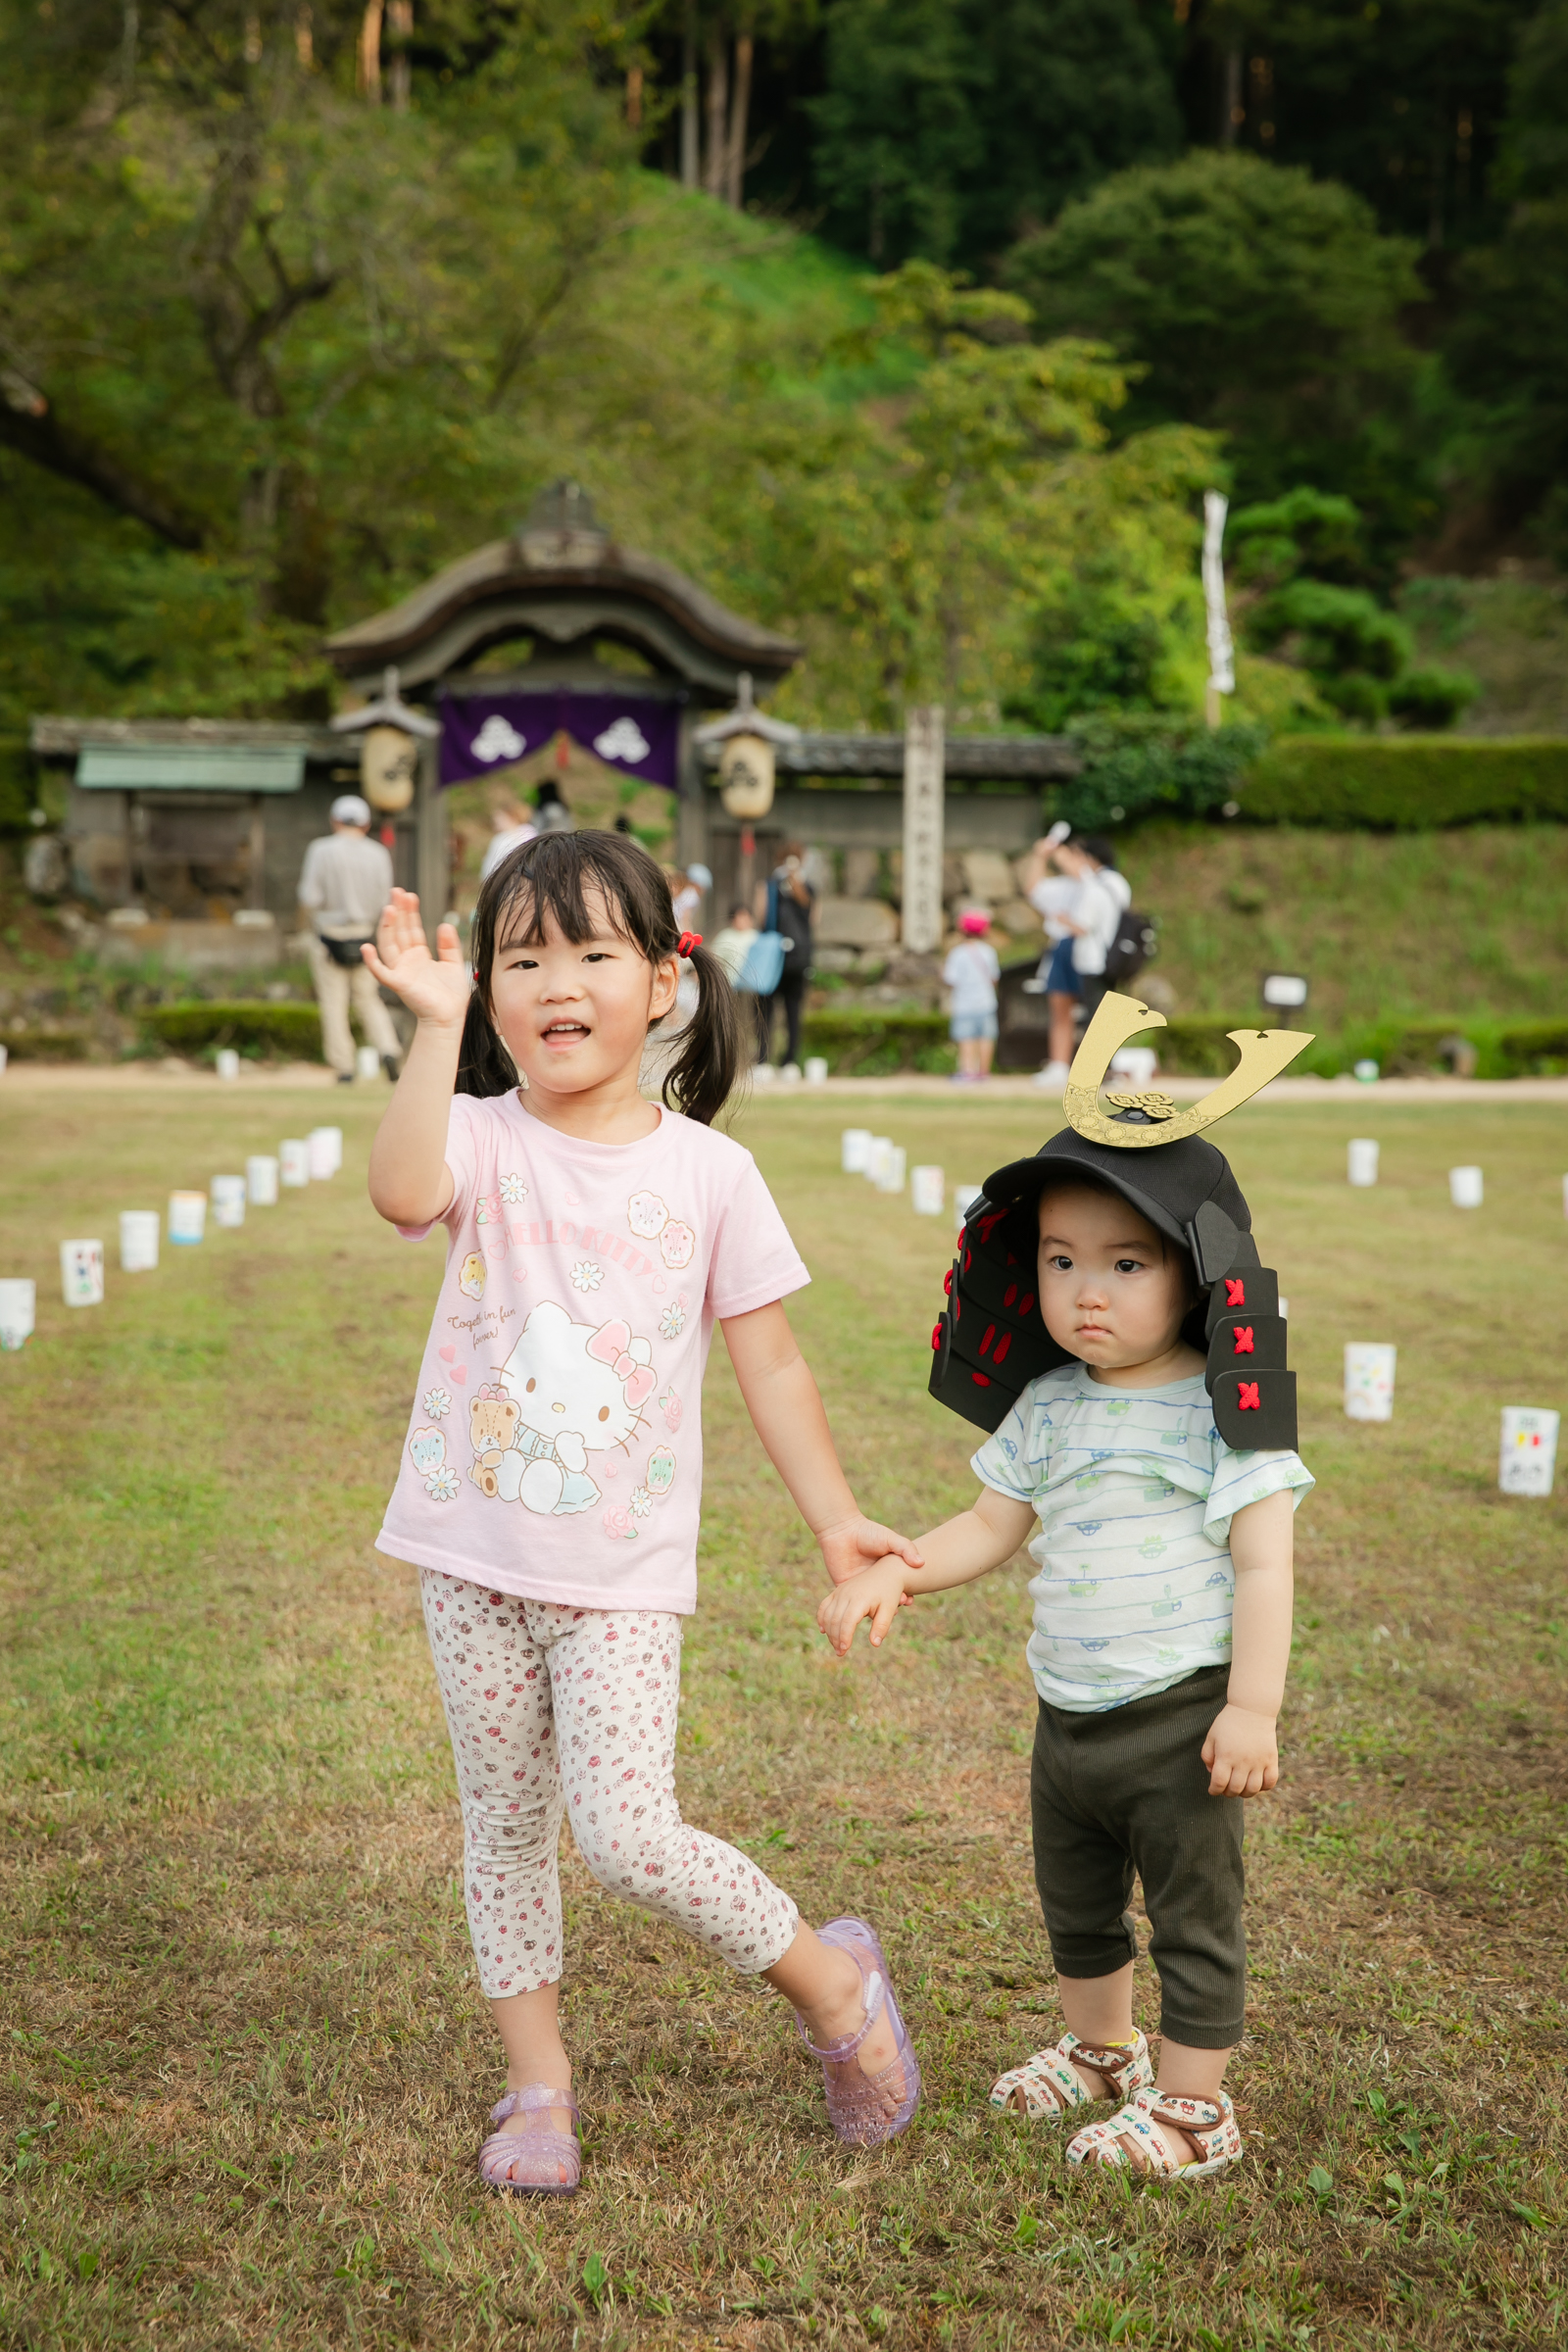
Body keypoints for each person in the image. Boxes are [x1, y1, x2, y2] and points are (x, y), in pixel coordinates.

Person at [361, 829, 923, 2195]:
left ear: (664, 982)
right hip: (470, 1558)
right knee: (504, 1828)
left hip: (618, 1577)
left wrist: (835, 1521)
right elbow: (400, 1193)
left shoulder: (711, 1174)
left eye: (593, 953)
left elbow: (771, 1364)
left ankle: (832, 1982)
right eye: (521, 960)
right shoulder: (480, 1136)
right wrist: (430, 1033)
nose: (557, 983)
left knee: (625, 1835)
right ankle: (538, 2085)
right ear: (489, 995)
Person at [820, 1109, 1312, 2180]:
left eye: (1126, 1264)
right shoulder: (1047, 1405)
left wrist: (1252, 1708)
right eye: (1060, 1260)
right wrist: (899, 1570)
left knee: (1192, 1918)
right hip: (1069, 1717)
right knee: (1079, 1907)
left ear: (1195, 1274)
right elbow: (991, 1524)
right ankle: (1103, 2051)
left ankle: (1195, 2109)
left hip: (1182, 1719)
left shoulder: (1225, 1414)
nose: (1088, 1291)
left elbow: (1264, 1566)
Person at [297, 794, 404, 1084]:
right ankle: (388, 1049)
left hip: (329, 936)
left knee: (334, 1004)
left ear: (335, 821)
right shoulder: (378, 853)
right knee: (368, 999)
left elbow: (309, 896)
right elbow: (384, 900)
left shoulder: (321, 850)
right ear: (366, 824)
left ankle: (344, 1067)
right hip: (364, 936)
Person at [1023, 836, 1130, 1092]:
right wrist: (1041, 857)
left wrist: (1061, 857)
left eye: (1076, 855)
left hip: (1096, 955)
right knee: (1062, 1007)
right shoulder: (1068, 884)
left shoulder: (1105, 882)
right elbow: (1034, 890)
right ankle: (1060, 1066)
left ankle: (1103, 1070)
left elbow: (1085, 920)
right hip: (1070, 949)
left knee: (1098, 1015)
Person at [760, 845, 814, 1071]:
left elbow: (810, 912)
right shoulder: (773, 885)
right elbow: (761, 916)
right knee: (773, 1010)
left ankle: (781, 1060)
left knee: (784, 1010)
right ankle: (771, 1059)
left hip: (789, 957)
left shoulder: (804, 887)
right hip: (782, 956)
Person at [942, 909, 1001, 1083]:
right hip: (986, 1002)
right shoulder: (989, 952)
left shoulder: (957, 953)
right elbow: (994, 977)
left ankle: (968, 1072)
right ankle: (984, 1072)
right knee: (986, 1038)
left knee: (966, 1038)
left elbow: (951, 979)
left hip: (964, 1004)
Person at [480, 801, 537, 881]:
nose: (495, 822)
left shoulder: (526, 835)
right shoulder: (501, 837)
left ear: (510, 817)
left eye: (500, 818)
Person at [671, 861, 712, 934]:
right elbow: (686, 916)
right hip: (678, 926)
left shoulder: (684, 891)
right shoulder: (693, 895)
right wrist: (689, 932)